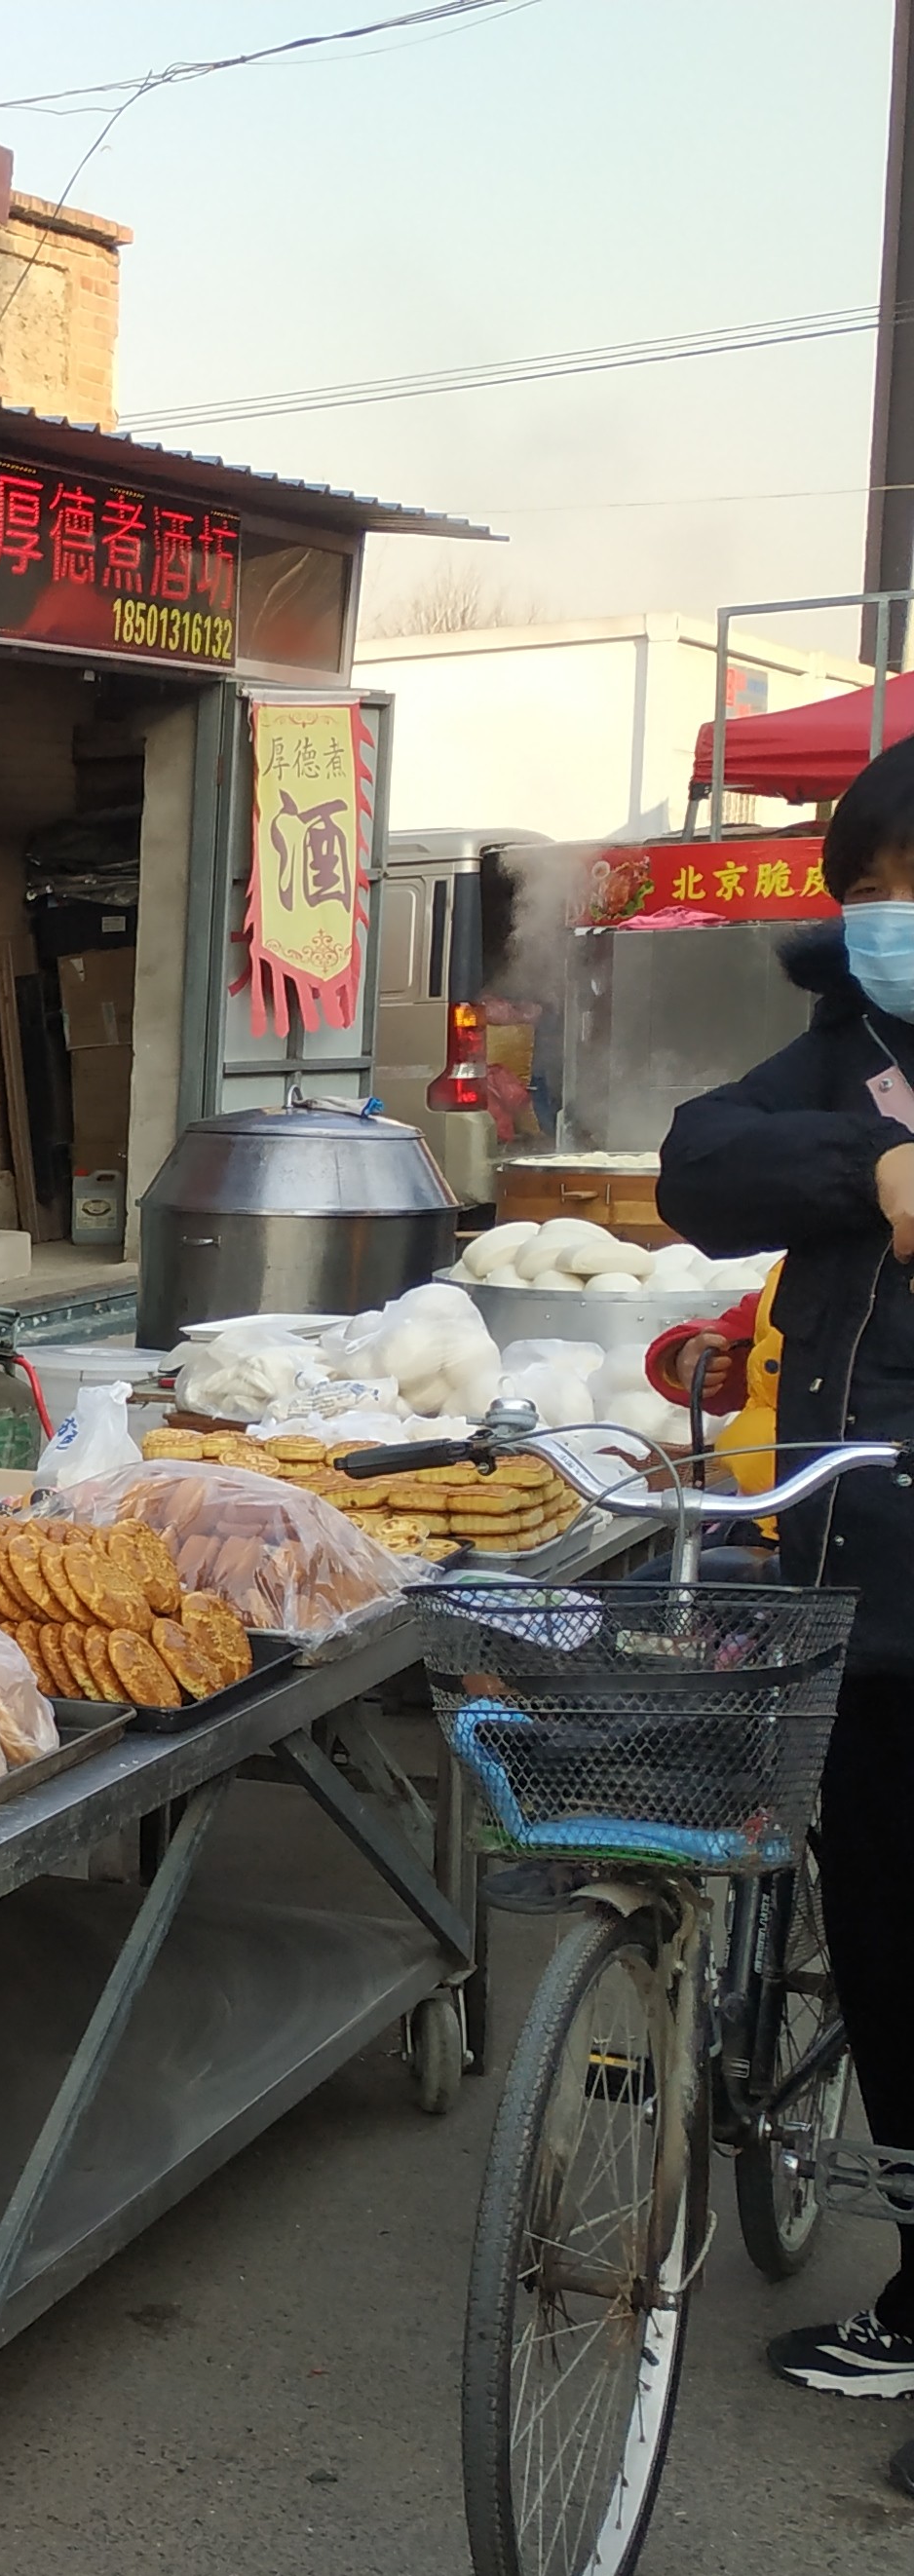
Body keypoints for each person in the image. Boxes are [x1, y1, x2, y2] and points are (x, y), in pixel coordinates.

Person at [659, 732, 914, 2480]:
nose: (892, 920)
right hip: (848, 1569)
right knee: (884, 1928)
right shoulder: (850, 1039)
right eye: (877, 893)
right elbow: (700, 1162)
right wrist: (867, 1172)